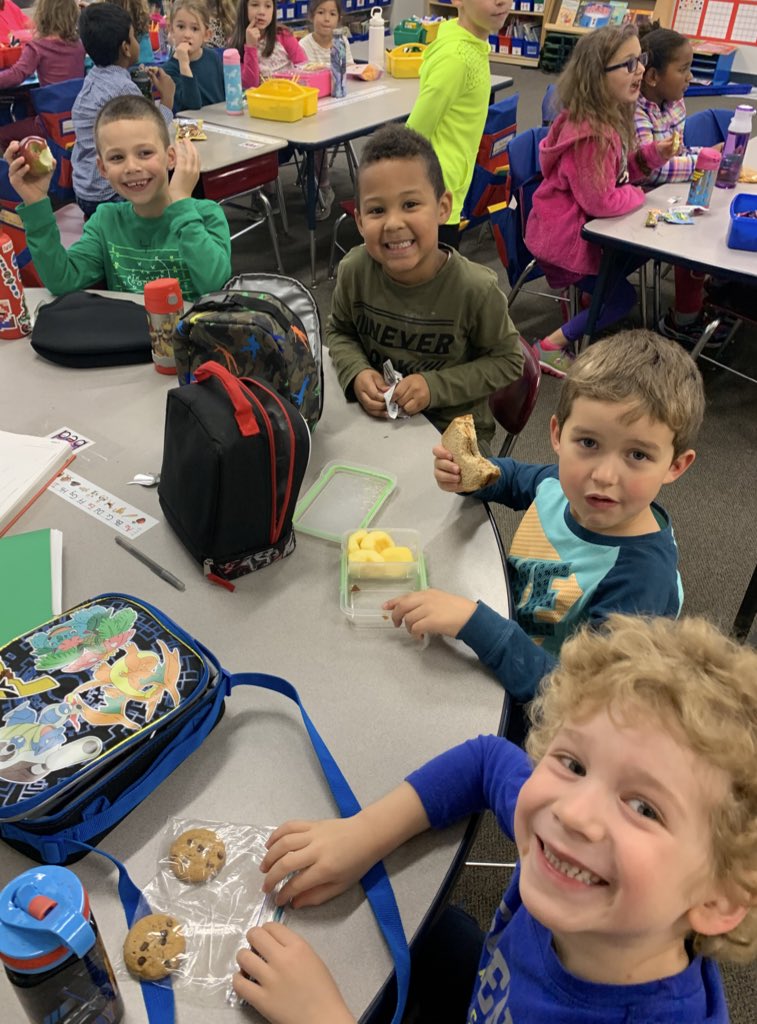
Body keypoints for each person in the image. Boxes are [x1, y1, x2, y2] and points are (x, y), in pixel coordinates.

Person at [233, 613, 757, 1024]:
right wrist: (361, 836)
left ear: (721, 898)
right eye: (573, 763)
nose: (572, 812)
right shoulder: (584, 872)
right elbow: (487, 761)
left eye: (644, 808)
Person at [388, 330, 703, 702]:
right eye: (588, 443)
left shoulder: (642, 583)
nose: (603, 475)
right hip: (506, 625)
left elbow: (581, 699)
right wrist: (471, 476)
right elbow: (514, 479)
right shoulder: (560, 484)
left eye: (637, 456)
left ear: (675, 466)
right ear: (557, 434)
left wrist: (474, 624)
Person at [326, 123, 524, 443]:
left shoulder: (475, 290)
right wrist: (357, 371)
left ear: (442, 208)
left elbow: (508, 362)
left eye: (410, 205)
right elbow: (339, 331)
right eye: (377, 210)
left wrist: (434, 387)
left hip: (451, 432)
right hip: (376, 422)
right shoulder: (354, 271)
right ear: (360, 221)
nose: (393, 223)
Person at [525, 25, 675, 378]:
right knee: (623, 299)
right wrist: (640, 195)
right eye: (628, 64)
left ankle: (590, 305)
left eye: (641, 58)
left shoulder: (607, 118)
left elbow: (616, 177)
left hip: (573, 231)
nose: (640, 70)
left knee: (637, 253)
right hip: (565, 242)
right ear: (596, 77)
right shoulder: (593, 134)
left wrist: (651, 156)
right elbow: (603, 200)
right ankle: (550, 347)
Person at [6, 93, 231, 301]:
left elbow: (214, 286)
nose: (132, 167)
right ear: (102, 169)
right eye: (117, 158)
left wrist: (182, 202)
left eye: (145, 153)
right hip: (128, 339)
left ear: (170, 157)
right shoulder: (106, 221)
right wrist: (36, 203)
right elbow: (62, 280)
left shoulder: (207, 214)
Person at [635, 27, 724, 347]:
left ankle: (713, 295)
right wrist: (703, 163)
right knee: (692, 232)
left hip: (662, 193)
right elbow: (652, 171)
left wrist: (710, 155)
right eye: (683, 69)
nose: (690, 77)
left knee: (710, 213)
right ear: (653, 77)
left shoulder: (674, 102)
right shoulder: (637, 111)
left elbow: (678, 151)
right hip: (635, 199)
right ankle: (683, 319)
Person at [406, 0, 511, 249]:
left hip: (450, 189)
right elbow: (413, 134)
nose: (502, 1)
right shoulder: (457, 57)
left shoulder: (472, 43)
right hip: (436, 195)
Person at [71, 3, 175, 219]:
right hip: (111, 194)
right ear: (126, 48)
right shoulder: (123, 88)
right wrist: (167, 100)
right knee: (164, 166)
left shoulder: (92, 78)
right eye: (134, 37)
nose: (138, 42)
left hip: (84, 191)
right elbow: (153, 131)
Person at [299, 0, 353, 220]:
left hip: (341, 104)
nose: (326, 18)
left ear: (339, 18)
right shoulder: (305, 45)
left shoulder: (342, 41)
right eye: (321, 12)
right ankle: (324, 185)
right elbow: (305, 76)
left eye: (332, 13)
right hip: (317, 107)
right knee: (318, 136)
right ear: (311, 16)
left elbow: (349, 69)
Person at [0, 0, 84, 89]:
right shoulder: (80, 45)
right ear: (74, 14)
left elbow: (17, 75)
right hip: (79, 99)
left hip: (52, 100)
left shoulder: (37, 47)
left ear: (41, 15)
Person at [231, 0, 307, 90]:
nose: (262, 12)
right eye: (255, 5)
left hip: (289, 95)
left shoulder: (284, 35)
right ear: (244, 8)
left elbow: (304, 68)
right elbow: (250, 85)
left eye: (268, 6)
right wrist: (250, 47)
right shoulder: (235, 45)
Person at [163, 0, 225, 110]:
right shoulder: (169, 70)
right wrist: (184, 65)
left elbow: (227, 97)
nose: (187, 35)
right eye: (181, 27)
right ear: (171, 30)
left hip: (221, 123)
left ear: (206, 35)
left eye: (195, 29)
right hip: (192, 125)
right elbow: (192, 107)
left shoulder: (213, 58)